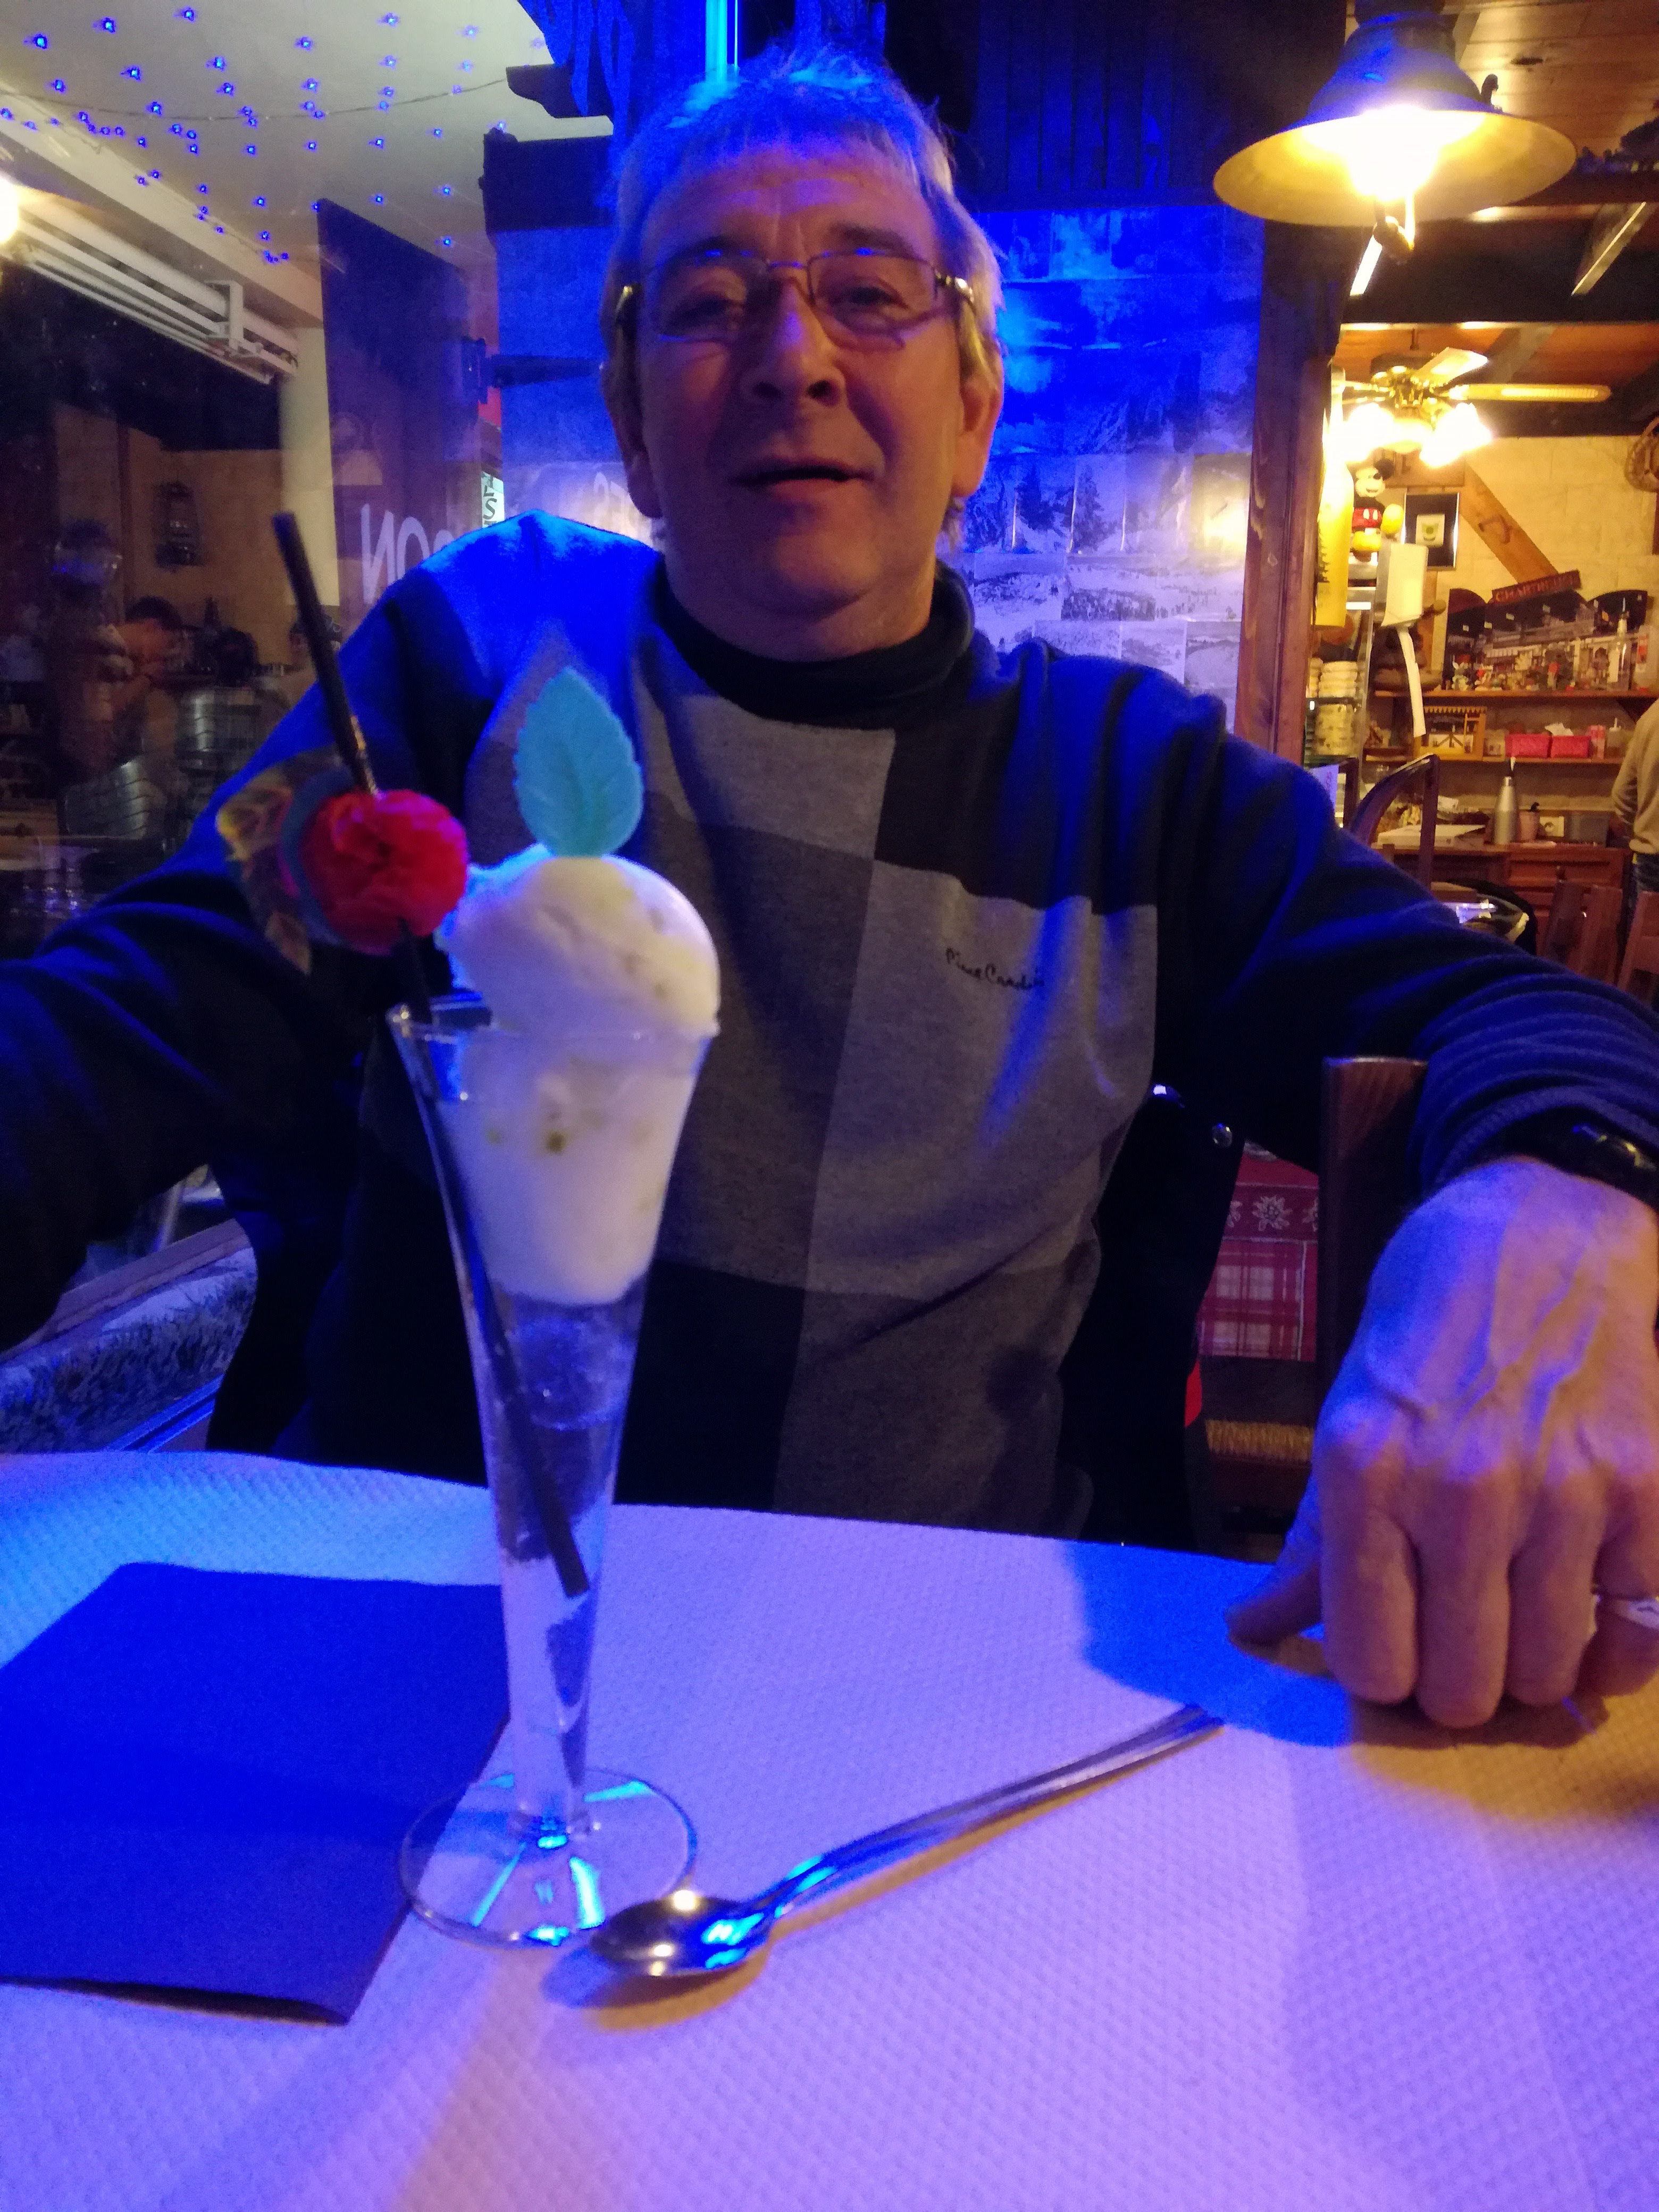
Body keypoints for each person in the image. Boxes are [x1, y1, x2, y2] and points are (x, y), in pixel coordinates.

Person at [3, 45, 1659, 1734]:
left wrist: (1558, 1193)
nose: (790, 356)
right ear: (634, 427)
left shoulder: (1132, 782)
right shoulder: (469, 659)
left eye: (868, 295)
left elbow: (1511, 1017)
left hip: (927, 1703)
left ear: (975, 411)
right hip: (429, 1662)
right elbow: (155, 1002)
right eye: (708, 303)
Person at [1612, 693, 1659, 898]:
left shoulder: (1651, 717)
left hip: (1650, 857)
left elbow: (1622, 793)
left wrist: (1645, 830)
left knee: (1646, 919)